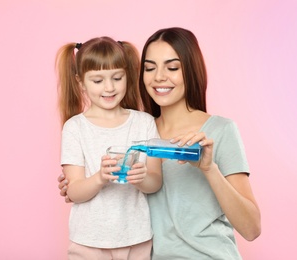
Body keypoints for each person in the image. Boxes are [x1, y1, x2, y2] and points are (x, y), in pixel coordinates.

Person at [58, 28, 261, 259]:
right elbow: (86, 182)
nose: (159, 77)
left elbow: (251, 228)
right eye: (150, 68)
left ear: (191, 71)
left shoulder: (220, 131)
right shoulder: (138, 130)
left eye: (172, 68)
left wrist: (209, 169)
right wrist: (83, 182)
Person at [56, 36, 162, 260]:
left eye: (117, 77)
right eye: (97, 81)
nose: (109, 87)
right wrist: (100, 177)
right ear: (80, 82)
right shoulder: (75, 128)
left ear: (127, 76)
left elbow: (155, 183)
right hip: (88, 242)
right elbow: (74, 191)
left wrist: (141, 178)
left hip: (137, 238)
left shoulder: (144, 123)